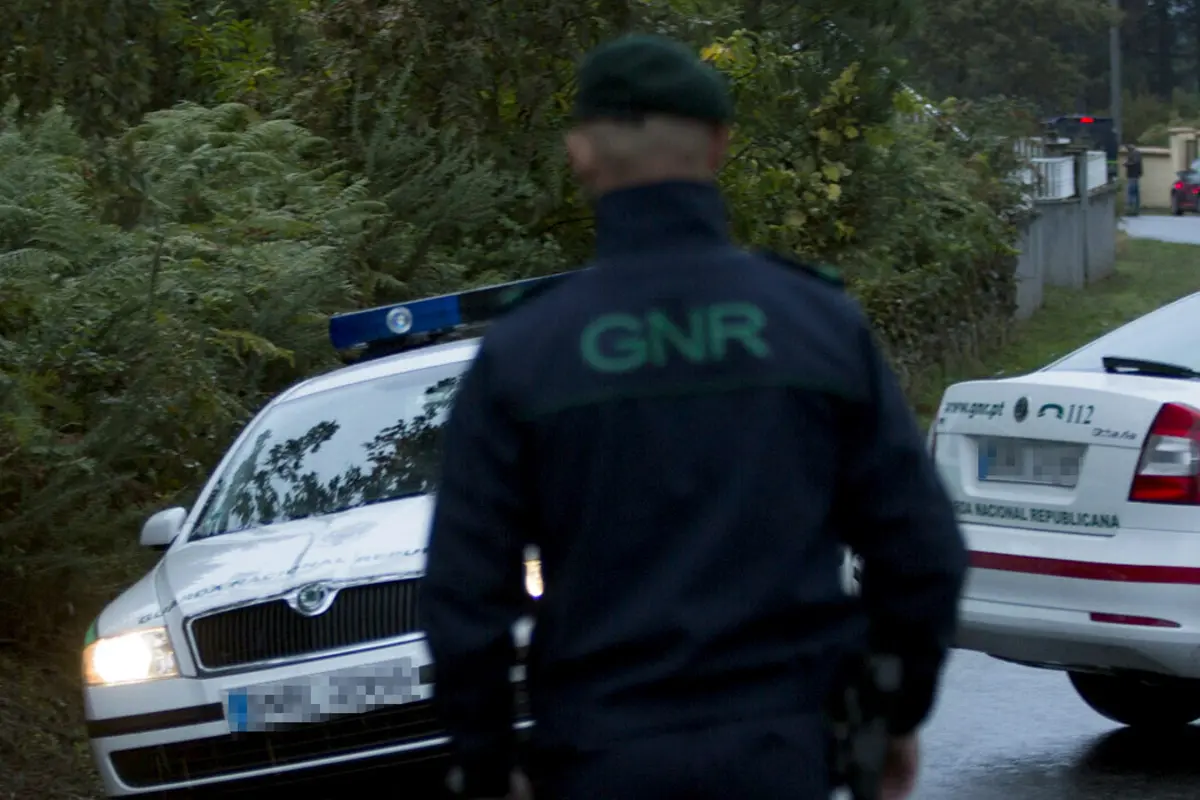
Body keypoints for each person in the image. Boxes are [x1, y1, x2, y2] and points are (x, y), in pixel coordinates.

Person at [419, 33, 968, 800]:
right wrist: (888, 718)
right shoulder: (814, 324)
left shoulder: (525, 351)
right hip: (781, 752)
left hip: (600, 758)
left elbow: (464, 594)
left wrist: (484, 765)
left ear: (580, 153)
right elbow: (923, 553)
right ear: (718, 145)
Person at [1124, 144, 1142, 216]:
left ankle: (1132, 210)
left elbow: (1134, 162)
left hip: (1133, 175)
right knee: (1134, 192)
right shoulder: (1136, 153)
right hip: (1135, 175)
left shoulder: (1135, 153)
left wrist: (1126, 164)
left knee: (1131, 192)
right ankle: (1135, 210)